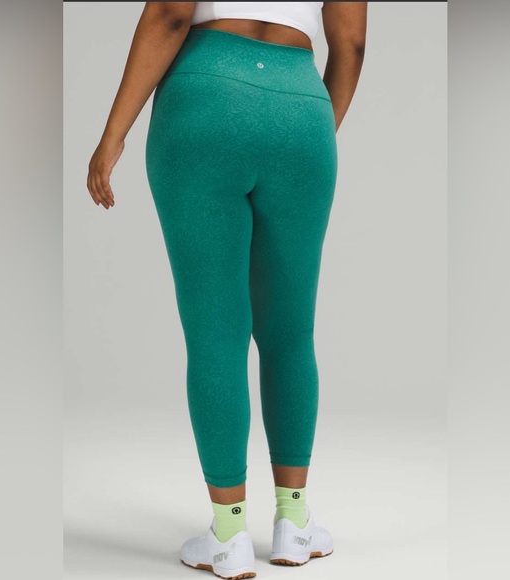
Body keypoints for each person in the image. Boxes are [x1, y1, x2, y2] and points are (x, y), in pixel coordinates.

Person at [87, 2, 367, 578]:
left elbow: (170, 15)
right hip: (300, 109)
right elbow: (352, 44)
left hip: (204, 102)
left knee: (215, 331)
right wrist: (304, 126)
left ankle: (229, 533)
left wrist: (114, 134)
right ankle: (294, 522)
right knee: (290, 332)